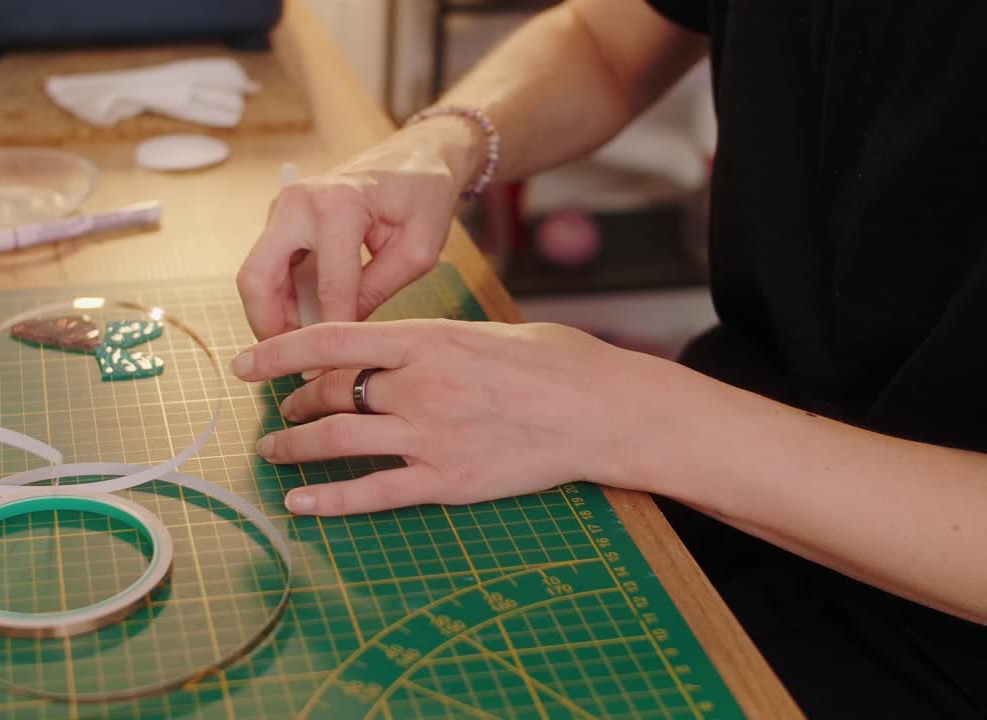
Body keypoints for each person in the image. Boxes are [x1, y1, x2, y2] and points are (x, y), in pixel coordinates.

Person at [231, 1, 987, 716]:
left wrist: (623, 415)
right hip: (724, 497)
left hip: (939, 650)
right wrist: (438, 144)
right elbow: (607, 40)